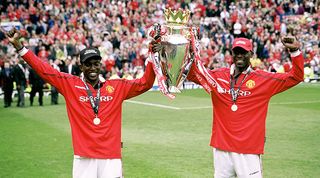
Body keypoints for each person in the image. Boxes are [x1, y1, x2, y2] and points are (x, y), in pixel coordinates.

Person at [5, 28, 155, 178]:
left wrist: (152, 56)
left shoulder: (116, 87)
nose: (92, 68)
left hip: (111, 157)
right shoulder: (70, 85)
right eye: (88, 64)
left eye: (96, 63)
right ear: (81, 66)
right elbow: (43, 69)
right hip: (84, 157)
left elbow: (145, 83)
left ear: (101, 65)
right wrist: (19, 46)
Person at [186, 37, 304, 177]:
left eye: (244, 52)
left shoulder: (263, 79)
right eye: (236, 52)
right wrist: (182, 52)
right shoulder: (217, 76)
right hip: (222, 148)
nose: (240, 55)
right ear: (231, 53)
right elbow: (192, 75)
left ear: (251, 54)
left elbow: (296, 77)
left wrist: (295, 51)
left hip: (248, 151)